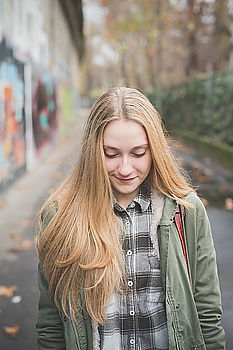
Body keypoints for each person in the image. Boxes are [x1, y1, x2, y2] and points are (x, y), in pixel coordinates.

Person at [36, 86, 226, 350]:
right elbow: (51, 324)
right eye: (111, 153)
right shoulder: (60, 217)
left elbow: (207, 313)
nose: (125, 168)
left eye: (138, 153)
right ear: (93, 150)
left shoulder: (186, 211)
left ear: (154, 149)